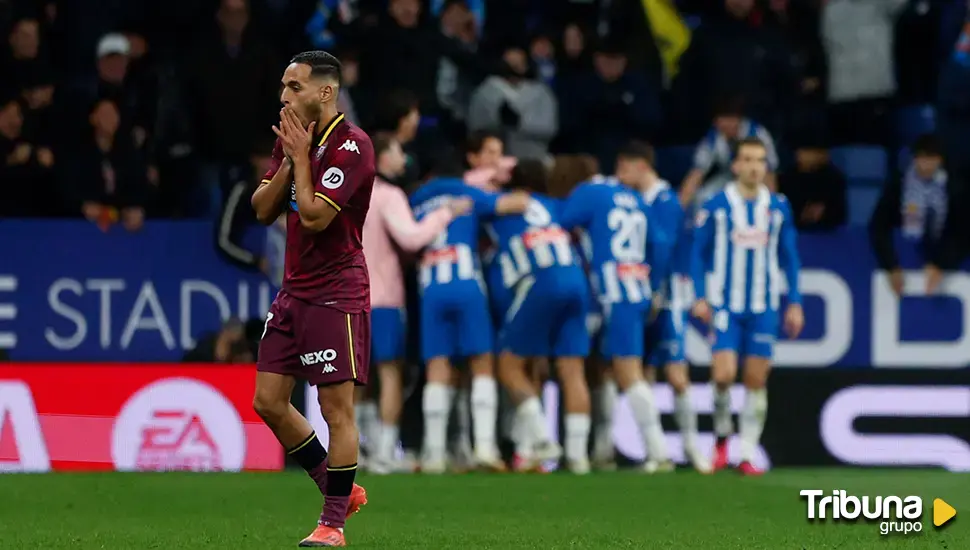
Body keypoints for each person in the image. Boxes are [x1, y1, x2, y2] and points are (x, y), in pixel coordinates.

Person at [249, 50, 374, 547]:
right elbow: (261, 210)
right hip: (293, 291)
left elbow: (318, 216)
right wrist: (289, 160)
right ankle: (337, 487)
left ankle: (333, 524)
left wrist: (300, 158)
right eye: (283, 86)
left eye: (294, 87)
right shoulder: (293, 142)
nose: (284, 96)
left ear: (325, 91)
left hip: (336, 293)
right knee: (268, 401)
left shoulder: (353, 146)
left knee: (334, 408)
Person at [690, 137, 804, 476]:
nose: (754, 166)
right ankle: (723, 436)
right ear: (735, 165)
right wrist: (699, 295)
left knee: (756, 379)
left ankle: (747, 453)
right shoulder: (716, 205)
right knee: (723, 375)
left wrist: (794, 302)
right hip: (726, 304)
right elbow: (698, 253)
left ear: (766, 167)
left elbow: (790, 257)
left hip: (764, 306)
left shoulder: (779, 207)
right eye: (747, 160)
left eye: (760, 160)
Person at [409, 153, 529, 474]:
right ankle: (485, 447)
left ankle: (434, 454)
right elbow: (512, 205)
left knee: (438, 366)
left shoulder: (417, 198)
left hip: (431, 284)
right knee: (481, 363)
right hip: (465, 281)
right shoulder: (466, 192)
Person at [360, 133, 470, 474]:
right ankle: (383, 453)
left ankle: (353, 452)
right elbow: (411, 237)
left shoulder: (346, 195)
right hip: (384, 300)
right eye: (395, 150)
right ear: (378, 157)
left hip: (348, 299)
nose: (402, 157)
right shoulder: (388, 195)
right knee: (389, 373)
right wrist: (444, 214)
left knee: (353, 380)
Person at [559, 161, 674, 474]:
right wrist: (654, 287)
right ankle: (602, 449)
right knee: (606, 369)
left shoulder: (590, 192)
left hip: (609, 292)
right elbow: (660, 244)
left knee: (624, 370)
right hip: (635, 287)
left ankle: (658, 452)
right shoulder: (634, 197)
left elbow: (562, 222)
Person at [488, 159, 592, 474]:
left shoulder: (499, 209)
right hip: (575, 278)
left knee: (508, 365)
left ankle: (543, 438)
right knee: (572, 369)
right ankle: (578, 458)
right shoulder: (555, 207)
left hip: (540, 279)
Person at [618, 142, 711, 474]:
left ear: (641, 166)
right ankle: (655, 452)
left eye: (624, 169)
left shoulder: (666, 201)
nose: (620, 177)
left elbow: (666, 248)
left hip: (667, 297)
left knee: (676, 373)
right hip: (644, 295)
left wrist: (658, 292)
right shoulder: (639, 202)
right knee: (644, 373)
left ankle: (693, 448)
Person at [869, 134, 965, 296]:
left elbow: (962, 231)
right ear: (914, 158)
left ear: (940, 160)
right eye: (922, 158)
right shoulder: (899, 186)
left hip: (943, 263)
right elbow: (878, 225)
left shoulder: (955, 188)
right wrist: (891, 266)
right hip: (904, 259)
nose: (926, 165)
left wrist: (941, 264)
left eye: (931, 159)